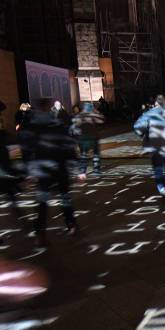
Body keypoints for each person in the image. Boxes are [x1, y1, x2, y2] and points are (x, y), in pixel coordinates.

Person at [20, 98, 81, 246]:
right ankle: (70, 224)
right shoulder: (57, 124)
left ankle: (40, 232)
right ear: (49, 107)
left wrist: (29, 170)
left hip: (43, 170)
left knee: (42, 201)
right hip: (59, 167)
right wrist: (74, 164)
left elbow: (26, 150)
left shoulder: (32, 126)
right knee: (64, 197)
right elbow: (68, 145)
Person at [134, 95, 165, 203]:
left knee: (158, 170)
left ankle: (163, 190)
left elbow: (137, 128)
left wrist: (144, 134)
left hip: (156, 147)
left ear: (156, 103)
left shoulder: (149, 114)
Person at [70, 102, 105, 176]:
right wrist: (96, 112)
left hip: (82, 138)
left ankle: (83, 170)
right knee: (95, 154)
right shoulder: (93, 115)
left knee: (83, 154)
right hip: (93, 137)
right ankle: (96, 170)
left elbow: (73, 126)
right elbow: (101, 120)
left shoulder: (79, 116)